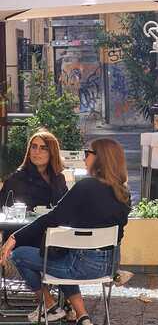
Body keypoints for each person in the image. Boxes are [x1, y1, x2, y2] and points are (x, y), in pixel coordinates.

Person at [0, 138, 131, 325]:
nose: (84, 158)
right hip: (110, 266)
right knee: (58, 255)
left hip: (81, 265)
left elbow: (53, 218)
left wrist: (14, 237)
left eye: (87, 153)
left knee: (20, 254)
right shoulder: (123, 192)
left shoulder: (86, 186)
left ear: (100, 158)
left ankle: (50, 305)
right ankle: (81, 315)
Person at [0, 130, 68, 211]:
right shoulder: (18, 178)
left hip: (55, 223)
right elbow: (5, 210)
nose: (37, 152)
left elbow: (67, 206)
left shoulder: (59, 178)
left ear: (52, 152)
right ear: (29, 151)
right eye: (34, 147)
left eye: (43, 148)